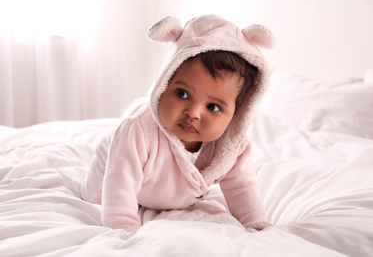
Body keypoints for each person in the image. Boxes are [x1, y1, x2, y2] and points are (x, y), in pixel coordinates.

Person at [80, 14, 275, 232]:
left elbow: (241, 186)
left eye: (213, 107)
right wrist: (123, 229)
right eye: (182, 93)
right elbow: (119, 185)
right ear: (163, 84)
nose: (193, 113)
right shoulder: (137, 131)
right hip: (110, 174)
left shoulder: (229, 147)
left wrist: (254, 222)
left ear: (236, 114)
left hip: (171, 194)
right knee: (95, 197)